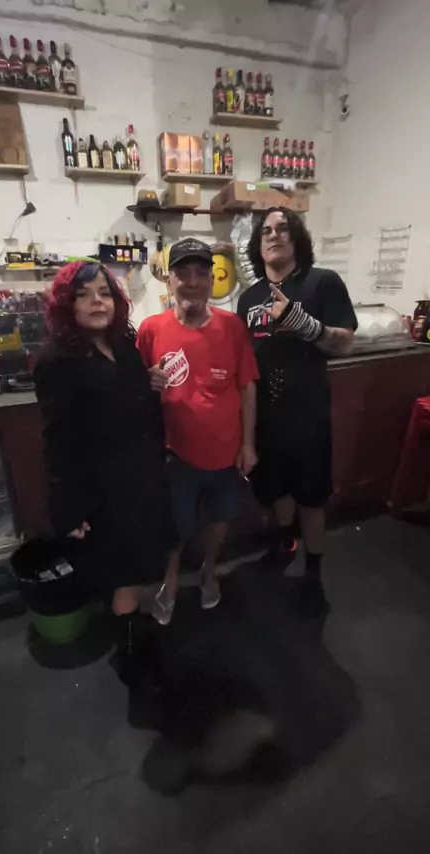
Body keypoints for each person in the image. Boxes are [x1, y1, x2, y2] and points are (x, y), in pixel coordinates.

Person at [33, 261, 173, 669]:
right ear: (66, 305)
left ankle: (134, 636)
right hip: (104, 494)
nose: (97, 302)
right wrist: (67, 509)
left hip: (143, 482)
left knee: (143, 567)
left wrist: (150, 382)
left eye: (104, 293)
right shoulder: (58, 361)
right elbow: (58, 442)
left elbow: (130, 402)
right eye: (83, 295)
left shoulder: (124, 347)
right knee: (126, 576)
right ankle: (129, 657)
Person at [237, 207, 358, 617]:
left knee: (312, 499)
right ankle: (285, 542)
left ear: (298, 239)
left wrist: (303, 323)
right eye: (266, 231)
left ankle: (314, 572)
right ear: (258, 245)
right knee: (276, 492)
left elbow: (346, 343)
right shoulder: (248, 298)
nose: (274, 235)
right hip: (266, 422)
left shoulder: (321, 282)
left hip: (308, 420)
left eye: (284, 229)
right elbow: (244, 364)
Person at [137, 238, 259, 625]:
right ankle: (171, 581)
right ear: (168, 279)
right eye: (183, 273)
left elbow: (247, 387)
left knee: (220, 521)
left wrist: (249, 445)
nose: (192, 282)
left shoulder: (232, 326)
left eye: (201, 274)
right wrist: (145, 381)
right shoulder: (151, 329)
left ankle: (209, 571)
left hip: (226, 452)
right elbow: (134, 390)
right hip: (176, 454)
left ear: (212, 279)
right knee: (176, 527)